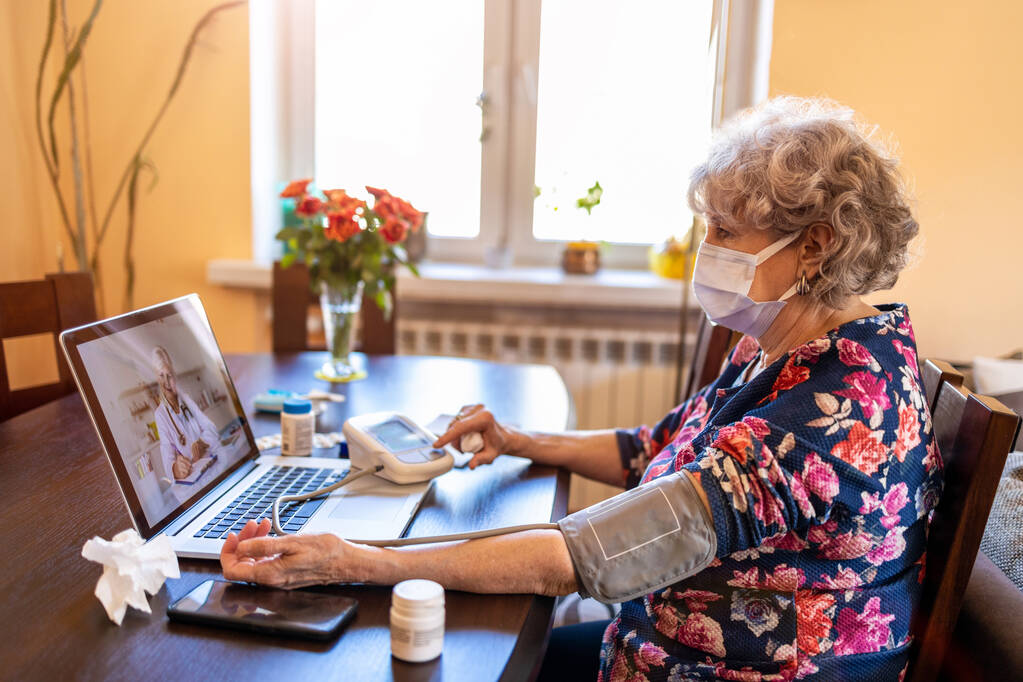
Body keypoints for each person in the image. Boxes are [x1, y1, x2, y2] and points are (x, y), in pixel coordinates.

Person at [221, 97, 939, 681]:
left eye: (725, 230)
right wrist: (518, 440)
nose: (707, 249)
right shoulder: (792, 351)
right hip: (674, 644)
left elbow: (587, 557)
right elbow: (653, 450)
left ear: (812, 246)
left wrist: (358, 561)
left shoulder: (839, 412)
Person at [151, 346, 221, 485]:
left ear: (174, 376)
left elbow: (211, 427)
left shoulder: (186, 399)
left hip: (211, 465)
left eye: (169, 375)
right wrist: (176, 469)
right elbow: (167, 458)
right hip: (194, 478)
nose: (166, 382)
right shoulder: (160, 415)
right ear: (157, 379)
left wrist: (202, 443)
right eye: (161, 375)